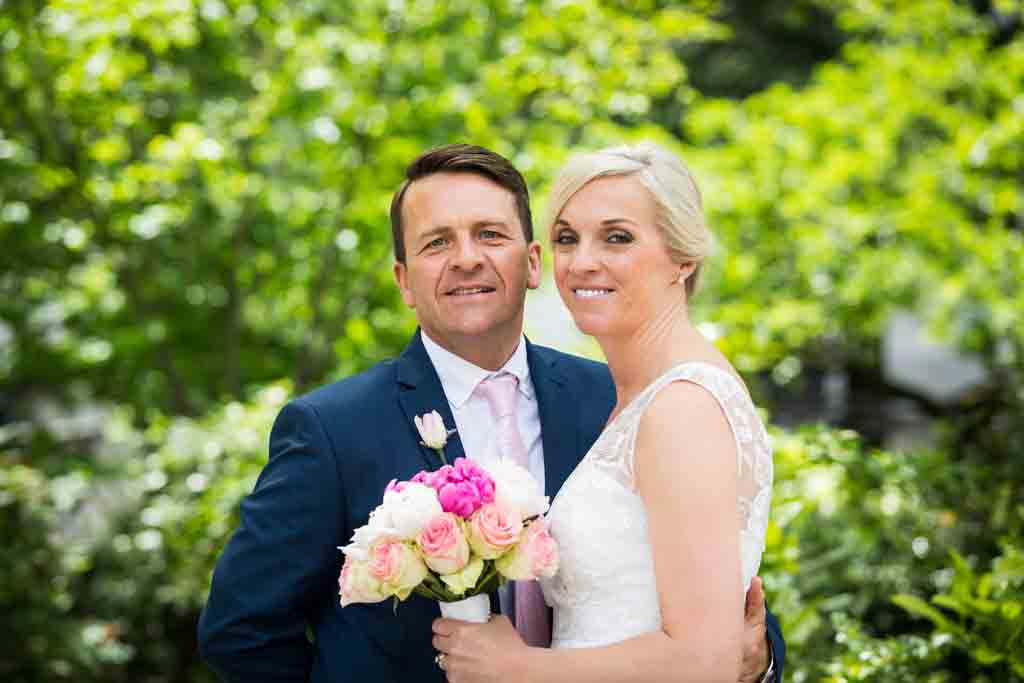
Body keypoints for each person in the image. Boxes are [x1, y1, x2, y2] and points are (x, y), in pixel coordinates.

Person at [198, 144, 784, 683]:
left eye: (490, 234)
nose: (467, 259)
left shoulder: (619, 398)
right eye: (436, 243)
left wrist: (755, 659)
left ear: (531, 263)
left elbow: (710, 597)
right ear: (404, 280)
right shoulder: (332, 430)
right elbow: (241, 629)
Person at [431, 142, 776, 683]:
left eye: (617, 237)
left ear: (683, 257)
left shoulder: (683, 409)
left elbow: (705, 661)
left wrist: (521, 669)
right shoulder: (632, 399)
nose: (583, 261)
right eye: (568, 238)